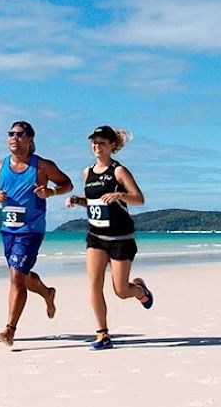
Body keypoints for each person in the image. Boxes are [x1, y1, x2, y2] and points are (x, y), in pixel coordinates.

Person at [0, 121, 73, 346]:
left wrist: (50, 191)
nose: (14, 137)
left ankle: (9, 330)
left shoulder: (41, 166)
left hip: (31, 230)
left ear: (30, 139)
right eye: (10, 133)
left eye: (20, 134)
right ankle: (47, 293)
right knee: (20, 275)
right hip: (8, 229)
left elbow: (67, 184)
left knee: (15, 277)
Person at [65, 125, 154, 351]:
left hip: (121, 238)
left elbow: (139, 199)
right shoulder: (87, 172)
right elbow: (95, 201)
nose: (96, 146)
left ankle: (141, 291)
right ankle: (102, 334)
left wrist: (120, 194)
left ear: (112, 146)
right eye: (94, 142)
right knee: (94, 285)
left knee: (121, 290)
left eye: (102, 142)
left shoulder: (119, 171)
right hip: (96, 237)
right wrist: (78, 200)